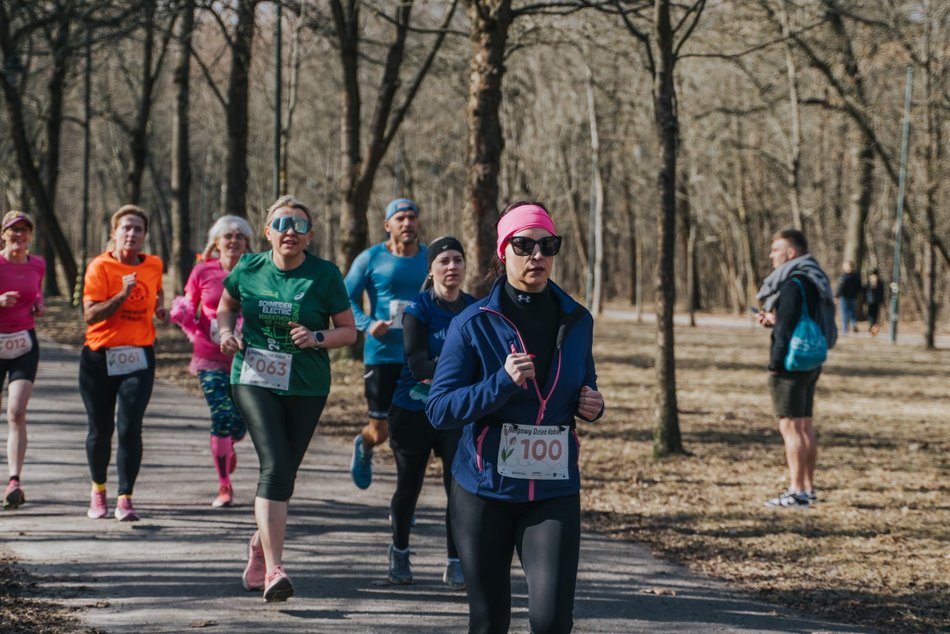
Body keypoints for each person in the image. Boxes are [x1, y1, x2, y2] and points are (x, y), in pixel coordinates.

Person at [427, 202, 605, 634]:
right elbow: (439, 408)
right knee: (489, 623)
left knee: (551, 621)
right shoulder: (473, 323)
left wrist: (594, 405)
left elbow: (586, 384)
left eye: (548, 245)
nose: (537, 256)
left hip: (552, 489)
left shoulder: (577, 319)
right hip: (484, 491)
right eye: (524, 245)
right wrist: (500, 383)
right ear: (503, 251)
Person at [217, 195, 356, 602]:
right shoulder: (249, 267)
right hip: (253, 376)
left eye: (298, 225)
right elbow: (226, 307)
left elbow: (348, 331)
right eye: (281, 224)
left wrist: (317, 338)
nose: (289, 231)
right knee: (275, 465)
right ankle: (276, 569)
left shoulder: (325, 275)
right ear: (267, 233)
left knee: (284, 474)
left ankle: (260, 546)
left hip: (307, 384)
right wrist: (226, 333)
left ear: (310, 235)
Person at [386, 236, 475, 589]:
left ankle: (455, 561)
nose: (452, 266)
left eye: (457, 260)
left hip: (456, 412)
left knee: (458, 489)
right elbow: (418, 363)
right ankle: (400, 550)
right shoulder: (417, 309)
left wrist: (451, 369)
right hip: (413, 409)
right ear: (432, 269)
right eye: (444, 261)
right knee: (410, 486)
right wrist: (461, 368)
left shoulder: (474, 309)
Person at [80, 205, 169, 522]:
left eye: (138, 229)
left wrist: (160, 309)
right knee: (100, 430)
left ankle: (125, 497)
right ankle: (98, 491)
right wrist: (122, 294)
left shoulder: (154, 264)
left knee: (130, 426)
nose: (132, 234)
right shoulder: (99, 267)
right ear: (114, 233)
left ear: (145, 236)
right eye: (126, 228)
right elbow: (90, 315)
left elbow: (156, 293)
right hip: (99, 357)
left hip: (138, 356)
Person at [170, 215, 253, 508]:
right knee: (220, 416)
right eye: (227, 237)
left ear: (247, 243)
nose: (233, 242)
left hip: (248, 360)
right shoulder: (202, 271)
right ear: (216, 243)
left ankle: (230, 442)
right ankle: (224, 487)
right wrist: (191, 327)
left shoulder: (255, 271)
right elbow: (187, 306)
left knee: (241, 424)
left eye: (239, 237)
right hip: (209, 356)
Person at [344, 198, 428, 490]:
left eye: (412, 217)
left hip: (418, 356)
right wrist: (368, 324)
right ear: (387, 225)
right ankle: (365, 444)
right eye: (401, 218)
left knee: (410, 432)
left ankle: (404, 498)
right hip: (381, 355)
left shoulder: (430, 258)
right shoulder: (370, 258)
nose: (407, 223)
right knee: (381, 431)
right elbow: (345, 298)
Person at [755, 229, 835, 508]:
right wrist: (776, 320)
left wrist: (775, 364)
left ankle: (796, 491)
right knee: (805, 426)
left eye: (776, 249)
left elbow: (787, 328)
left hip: (790, 363)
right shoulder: (814, 279)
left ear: (791, 253)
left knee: (790, 428)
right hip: (812, 360)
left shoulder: (791, 284)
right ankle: (808, 488)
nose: (771, 255)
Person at [0, 211, 46, 510]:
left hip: (24, 344)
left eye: (24, 230)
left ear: (30, 235)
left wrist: (39, 305)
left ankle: (14, 481)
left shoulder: (38, 264)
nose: (19, 235)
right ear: (3, 234)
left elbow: (37, 293)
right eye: (14, 230)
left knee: (16, 412)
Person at [835, 260, 861, 334]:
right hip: (854, 297)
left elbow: (840, 287)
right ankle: (853, 323)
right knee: (853, 312)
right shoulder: (856, 276)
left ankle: (845, 329)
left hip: (844, 297)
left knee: (844, 313)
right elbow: (859, 287)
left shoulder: (843, 277)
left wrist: (836, 296)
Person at [865, 268, 885, 336]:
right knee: (875, 316)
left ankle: (871, 328)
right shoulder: (879, 281)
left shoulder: (870, 281)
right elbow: (882, 292)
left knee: (871, 315)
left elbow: (866, 290)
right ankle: (873, 328)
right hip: (877, 301)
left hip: (870, 301)